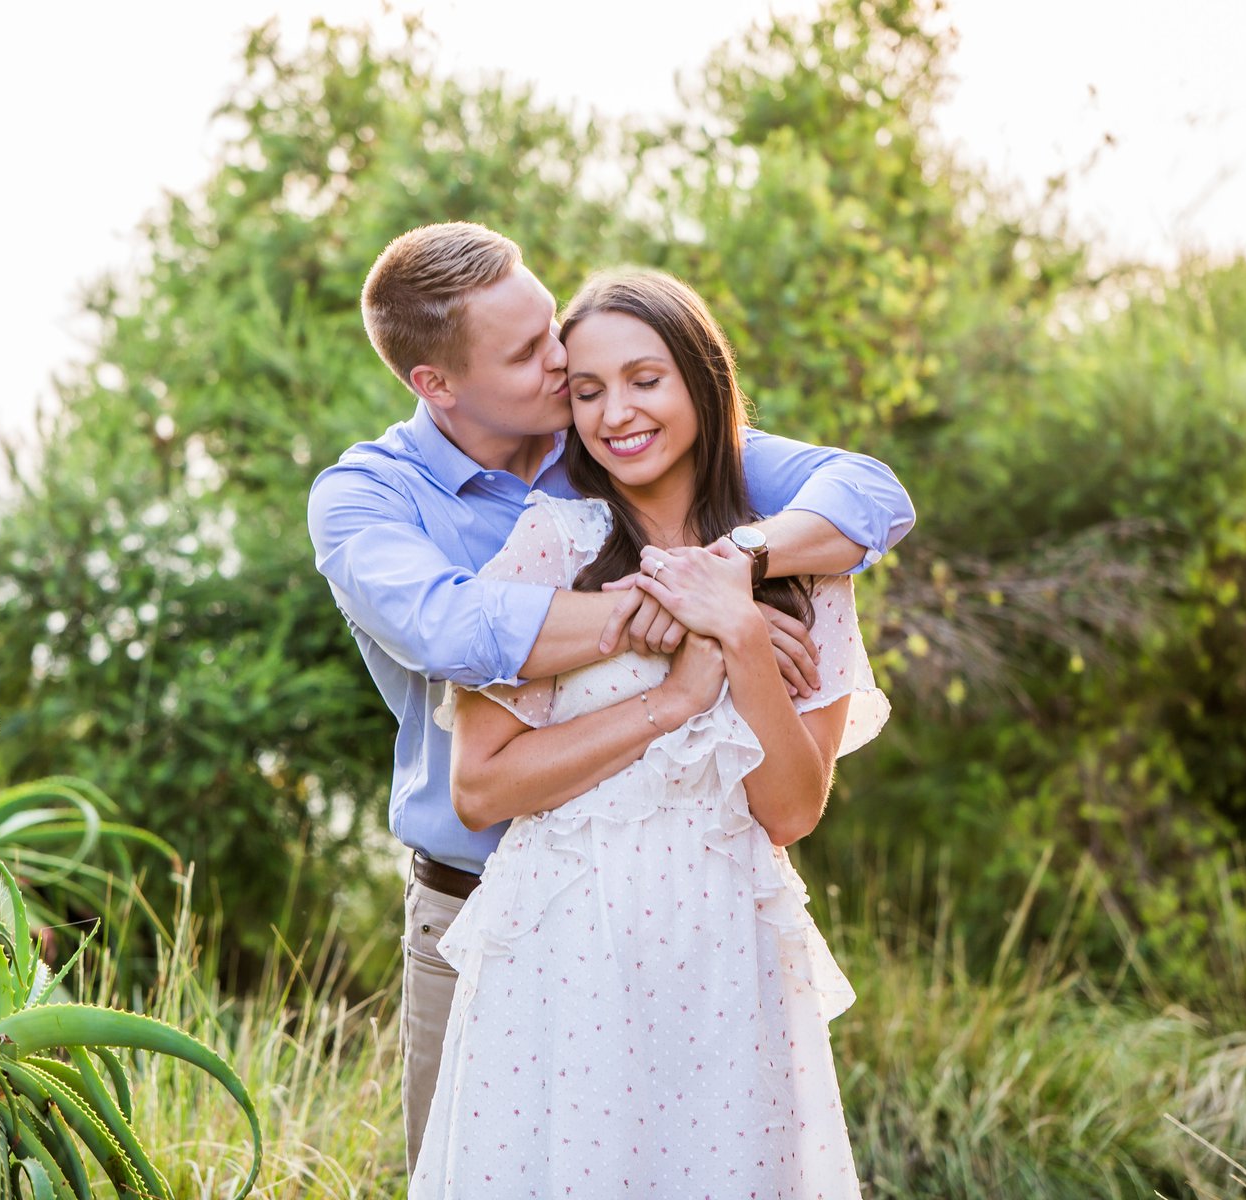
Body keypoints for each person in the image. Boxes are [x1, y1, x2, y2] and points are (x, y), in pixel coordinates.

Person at [306, 222, 912, 1172]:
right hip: (499, 915)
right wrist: (670, 612)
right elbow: (454, 632)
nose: (566, 366)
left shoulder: (633, 439)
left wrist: (738, 579)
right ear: (438, 383)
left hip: (716, 939)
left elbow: (867, 493)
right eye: (541, 358)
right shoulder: (374, 500)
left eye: (555, 329)